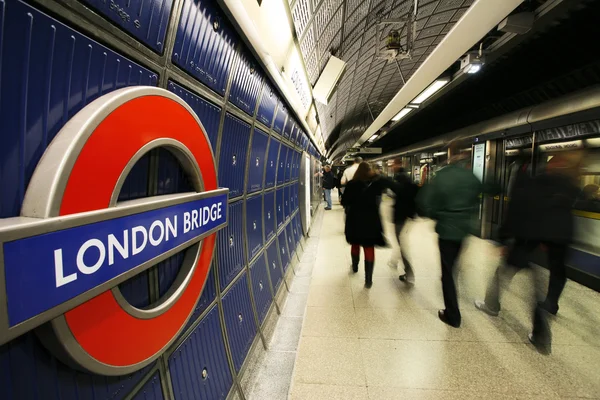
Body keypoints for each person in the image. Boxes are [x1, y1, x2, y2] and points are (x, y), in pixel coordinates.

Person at [474, 152, 581, 354]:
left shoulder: (536, 182)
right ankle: (542, 329)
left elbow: (519, 210)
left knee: (506, 270)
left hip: (531, 237)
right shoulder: (570, 185)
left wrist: (504, 237)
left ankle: (492, 305)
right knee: (541, 281)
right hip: (559, 238)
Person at [417, 143, 483, 328]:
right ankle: (457, 291)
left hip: (447, 230)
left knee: (447, 272)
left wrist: (435, 214)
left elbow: (423, 201)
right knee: (454, 266)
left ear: (450, 156)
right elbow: (486, 189)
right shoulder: (470, 176)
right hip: (464, 231)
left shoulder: (443, 175)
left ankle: (453, 315)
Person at [341, 162, 397, 288]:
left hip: (355, 219)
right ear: (369, 171)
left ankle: (355, 266)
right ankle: (368, 280)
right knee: (368, 247)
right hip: (371, 220)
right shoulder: (377, 184)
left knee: (355, 244)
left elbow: (344, 201)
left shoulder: (352, 184)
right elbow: (394, 188)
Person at [388, 158, 419, 283]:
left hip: (400, 215)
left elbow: (400, 195)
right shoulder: (406, 178)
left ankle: (409, 272)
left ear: (399, 165)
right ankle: (394, 260)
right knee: (400, 239)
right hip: (406, 215)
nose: (392, 166)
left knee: (401, 242)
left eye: (393, 164)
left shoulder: (400, 179)